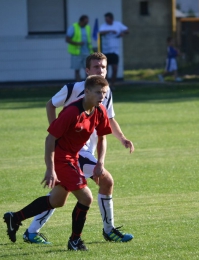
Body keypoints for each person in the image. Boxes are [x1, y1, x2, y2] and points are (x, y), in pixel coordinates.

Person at [22, 52, 134, 244]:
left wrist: (122, 138)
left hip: (84, 151)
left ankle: (31, 230)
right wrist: (57, 133)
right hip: (74, 151)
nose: (101, 70)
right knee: (106, 181)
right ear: (87, 70)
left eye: (104, 67)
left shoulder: (104, 91)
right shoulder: (73, 88)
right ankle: (108, 230)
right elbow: (50, 104)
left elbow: (109, 119)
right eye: (97, 67)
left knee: (60, 193)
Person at [4, 75, 112, 251]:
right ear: (86, 92)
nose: (102, 96)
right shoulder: (71, 112)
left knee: (57, 200)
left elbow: (102, 138)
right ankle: (75, 241)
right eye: (98, 92)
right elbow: (50, 139)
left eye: (105, 93)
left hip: (73, 157)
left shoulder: (100, 111)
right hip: (62, 158)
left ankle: (14, 218)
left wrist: (100, 162)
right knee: (86, 198)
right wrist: (50, 169)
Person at [99, 12, 129, 88]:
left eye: (108, 19)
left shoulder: (118, 24)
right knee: (106, 69)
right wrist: (110, 30)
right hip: (106, 51)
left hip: (115, 51)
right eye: (105, 19)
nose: (106, 21)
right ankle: (106, 84)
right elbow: (100, 32)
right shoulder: (104, 26)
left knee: (115, 68)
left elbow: (127, 30)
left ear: (111, 19)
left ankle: (113, 84)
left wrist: (123, 33)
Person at [66, 15, 94, 81]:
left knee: (88, 69)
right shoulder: (73, 27)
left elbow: (88, 40)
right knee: (77, 70)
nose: (86, 23)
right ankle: (78, 86)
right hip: (76, 53)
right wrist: (78, 43)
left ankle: (87, 85)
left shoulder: (87, 27)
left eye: (87, 22)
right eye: (85, 22)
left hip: (86, 52)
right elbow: (67, 39)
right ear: (81, 21)